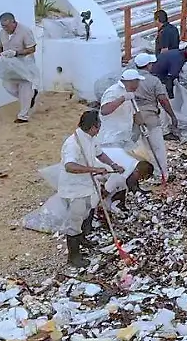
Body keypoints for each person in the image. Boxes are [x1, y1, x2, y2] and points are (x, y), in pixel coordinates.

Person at [60, 110, 125, 266]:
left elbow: (99, 153)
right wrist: (94, 170)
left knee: (87, 211)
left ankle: (82, 239)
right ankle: (73, 257)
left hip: (88, 184)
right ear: (93, 127)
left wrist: (113, 165)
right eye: (99, 125)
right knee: (75, 221)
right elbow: (69, 166)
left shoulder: (91, 138)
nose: (100, 128)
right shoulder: (72, 143)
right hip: (74, 188)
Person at [128, 53, 180, 163]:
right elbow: (163, 100)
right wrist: (172, 116)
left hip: (131, 116)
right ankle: (161, 173)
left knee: (130, 145)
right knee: (157, 148)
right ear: (148, 65)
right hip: (150, 116)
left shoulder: (129, 79)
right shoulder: (153, 80)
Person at [0, 12, 38, 123]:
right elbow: (0, 46)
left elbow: (32, 49)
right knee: (8, 86)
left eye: (7, 26)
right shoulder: (2, 33)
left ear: (14, 22)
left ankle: (23, 116)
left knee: (25, 88)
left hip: (25, 66)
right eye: (3, 26)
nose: (5, 28)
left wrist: (16, 53)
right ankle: (31, 96)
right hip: (9, 67)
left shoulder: (25, 31)